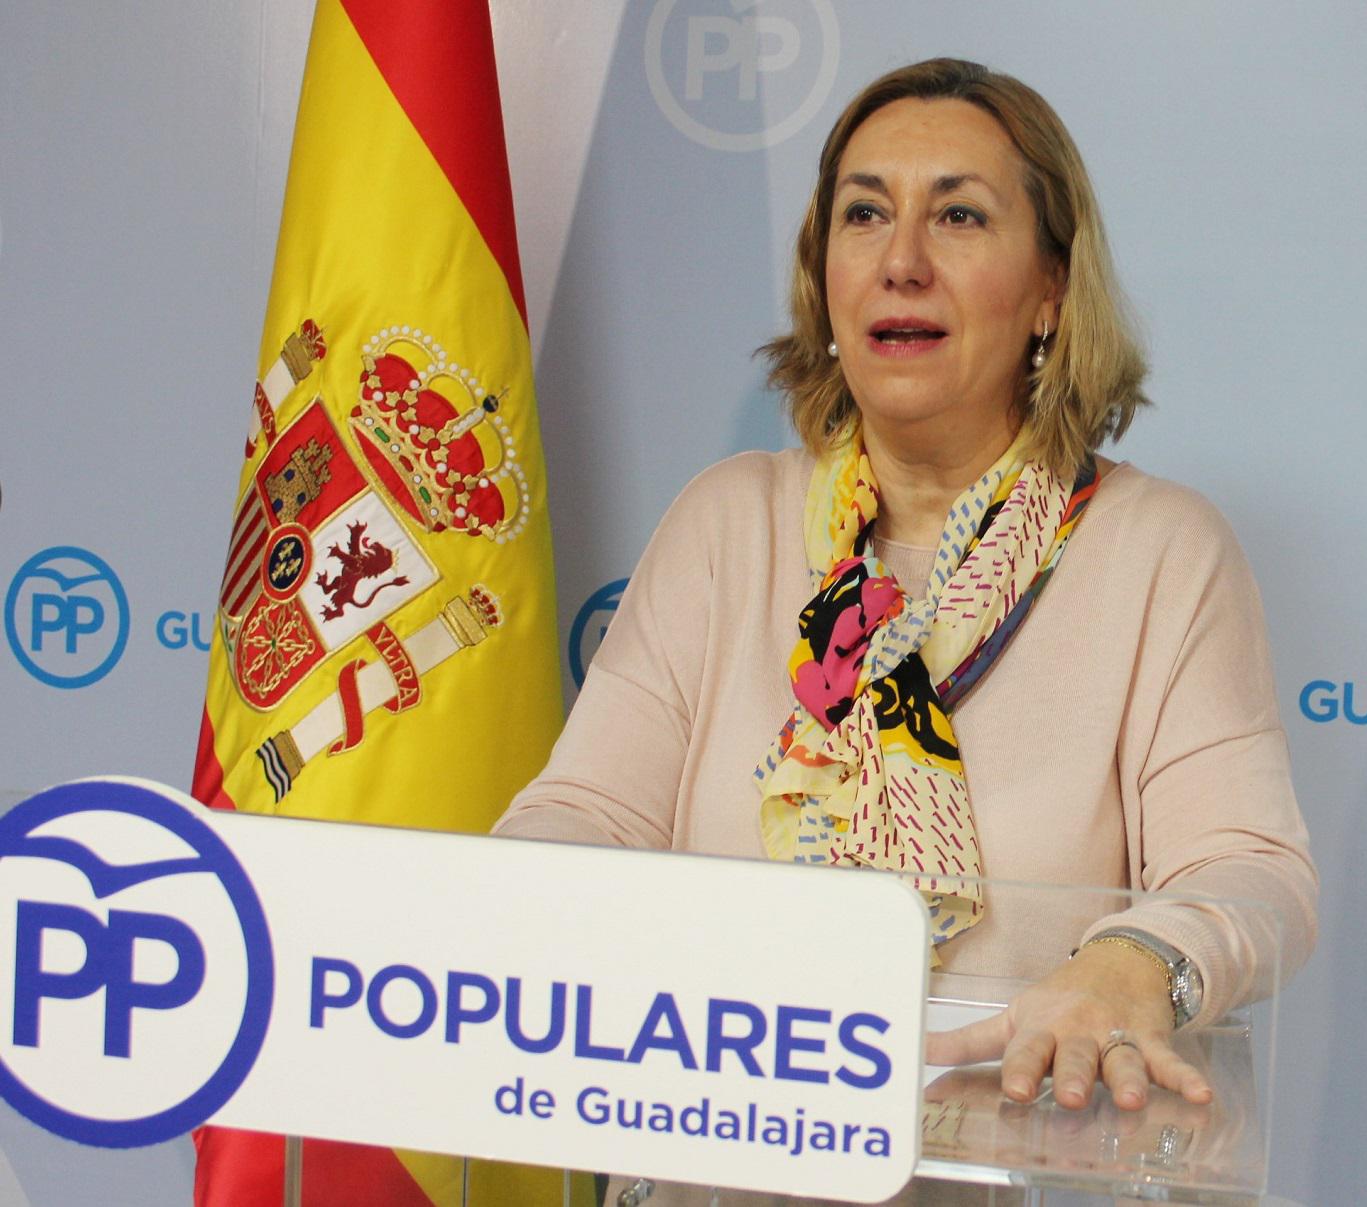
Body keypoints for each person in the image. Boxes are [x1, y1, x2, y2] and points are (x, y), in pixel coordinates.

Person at [496, 56, 1315, 1128]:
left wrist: (1136, 961)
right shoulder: (729, 520)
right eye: (865, 213)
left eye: (960, 216)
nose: (901, 262)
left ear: (1051, 289)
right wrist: (514, 905)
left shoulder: (1158, 551)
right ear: (823, 275)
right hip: (712, 1148)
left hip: (1013, 1160)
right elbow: (582, 813)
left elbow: (1250, 870)